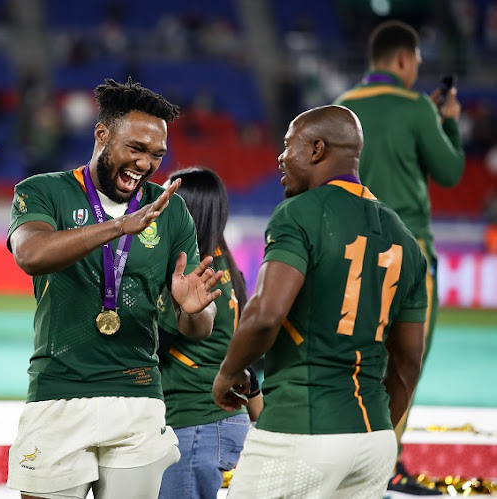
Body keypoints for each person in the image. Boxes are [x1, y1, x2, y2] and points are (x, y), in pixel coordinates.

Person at [6, 77, 224, 499]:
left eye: (156, 155)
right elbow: (30, 254)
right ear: (102, 134)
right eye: (136, 149)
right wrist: (119, 226)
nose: (145, 164)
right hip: (58, 392)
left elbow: (199, 328)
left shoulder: (170, 208)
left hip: (137, 396)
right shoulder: (43, 191)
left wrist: (194, 310)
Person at [212, 105, 429, 498]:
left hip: (301, 427)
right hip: (374, 438)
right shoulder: (406, 240)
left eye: (286, 145)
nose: (280, 157)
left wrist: (228, 373)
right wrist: (376, 430)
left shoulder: (298, 215)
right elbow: (408, 362)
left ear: (315, 150)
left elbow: (264, 315)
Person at [334, 20, 465, 495]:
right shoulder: (417, 108)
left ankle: (348, 451)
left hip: (352, 254)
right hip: (409, 255)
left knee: (354, 356)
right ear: (406, 60)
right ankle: (385, 462)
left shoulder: (343, 105)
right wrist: (444, 119)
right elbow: (450, 171)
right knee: (406, 359)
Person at [156, 167, 263, 499]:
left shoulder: (191, 276)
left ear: (187, 211)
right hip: (218, 420)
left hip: (194, 423)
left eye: (166, 202)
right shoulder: (222, 264)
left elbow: (150, 347)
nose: (156, 209)